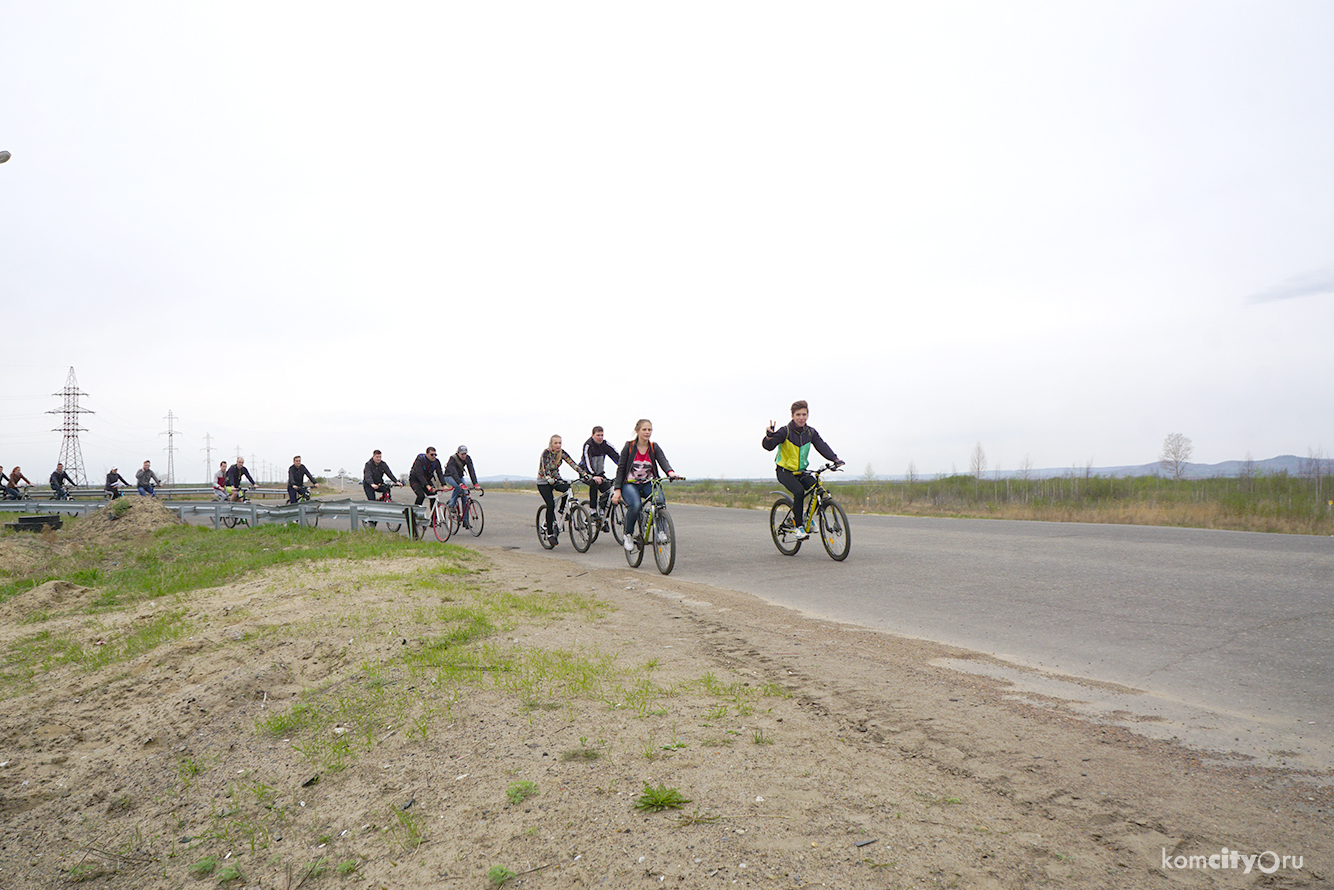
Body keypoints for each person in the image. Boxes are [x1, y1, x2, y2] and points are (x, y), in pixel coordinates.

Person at [762, 399, 844, 540]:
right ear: (792, 416)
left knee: (818, 489)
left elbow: (821, 445)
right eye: (798, 414)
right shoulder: (785, 431)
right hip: (784, 471)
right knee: (799, 491)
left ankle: (807, 516)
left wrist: (835, 459)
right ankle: (798, 526)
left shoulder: (810, 432)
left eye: (804, 414)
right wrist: (769, 437)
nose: (801, 418)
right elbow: (769, 447)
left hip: (801, 471)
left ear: (807, 415)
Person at [611, 419, 679, 552]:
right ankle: (628, 534)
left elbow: (663, 461)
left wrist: (671, 473)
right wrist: (617, 490)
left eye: (649, 430)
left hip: (649, 483)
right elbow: (621, 469)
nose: (647, 432)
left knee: (659, 501)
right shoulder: (629, 447)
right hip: (630, 484)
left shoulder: (654, 447)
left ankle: (660, 531)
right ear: (637, 431)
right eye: (644, 430)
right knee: (635, 505)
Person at [537, 434, 583, 539]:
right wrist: (548, 477)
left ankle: (562, 510)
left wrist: (583, 473)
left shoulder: (561, 453)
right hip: (543, 482)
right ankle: (549, 533)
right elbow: (544, 468)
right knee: (550, 504)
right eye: (556, 443)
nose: (558, 445)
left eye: (560, 443)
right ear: (551, 444)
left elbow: (572, 464)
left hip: (556, 479)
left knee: (568, 488)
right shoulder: (546, 453)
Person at [579, 425, 620, 529]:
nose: (600, 437)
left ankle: (604, 517)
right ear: (592, 435)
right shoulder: (588, 445)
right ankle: (593, 511)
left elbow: (617, 457)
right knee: (594, 484)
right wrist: (592, 475)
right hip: (586, 473)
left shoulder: (605, 445)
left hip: (600, 473)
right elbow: (587, 461)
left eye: (602, 435)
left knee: (611, 490)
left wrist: (625, 469)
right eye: (598, 435)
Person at [444, 445, 481, 525]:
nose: (464, 456)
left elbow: (471, 470)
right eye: (462, 454)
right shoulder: (453, 459)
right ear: (458, 453)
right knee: (458, 487)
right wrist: (460, 484)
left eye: (465, 454)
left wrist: (475, 483)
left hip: (460, 476)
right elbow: (453, 472)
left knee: (465, 495)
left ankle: (465, 520)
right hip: (449, 476)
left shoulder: (468, 458)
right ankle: (451, 505)